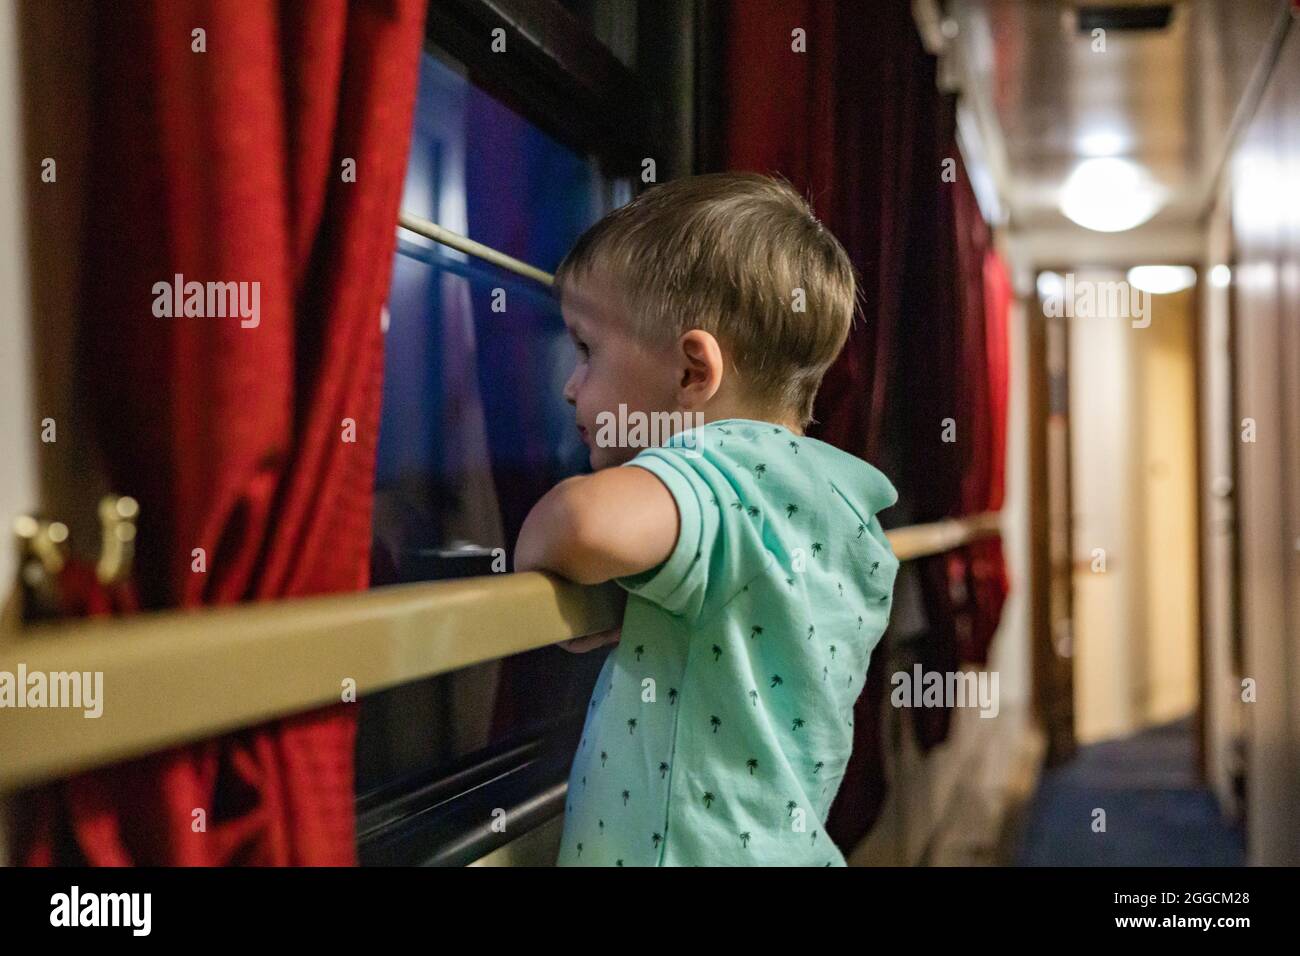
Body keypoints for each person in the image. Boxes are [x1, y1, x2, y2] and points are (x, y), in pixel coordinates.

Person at [515, 172, 899, 866]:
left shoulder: (721, 469)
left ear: (693, 373)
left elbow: (576, 523)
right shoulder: (827, 495)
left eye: (586, 349)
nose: (572, 385)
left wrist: (538, 555)